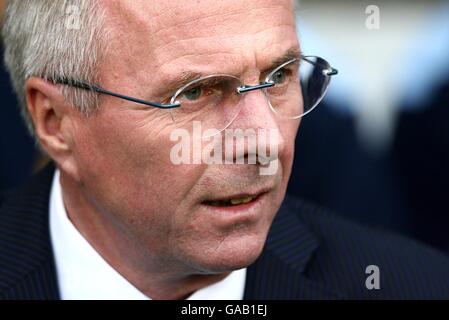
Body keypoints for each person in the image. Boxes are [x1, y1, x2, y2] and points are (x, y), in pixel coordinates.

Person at [1, 0, 449, 300]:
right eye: (196, 93)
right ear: (55, 122)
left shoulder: (413, 285)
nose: (266, 141)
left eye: (279, 77)